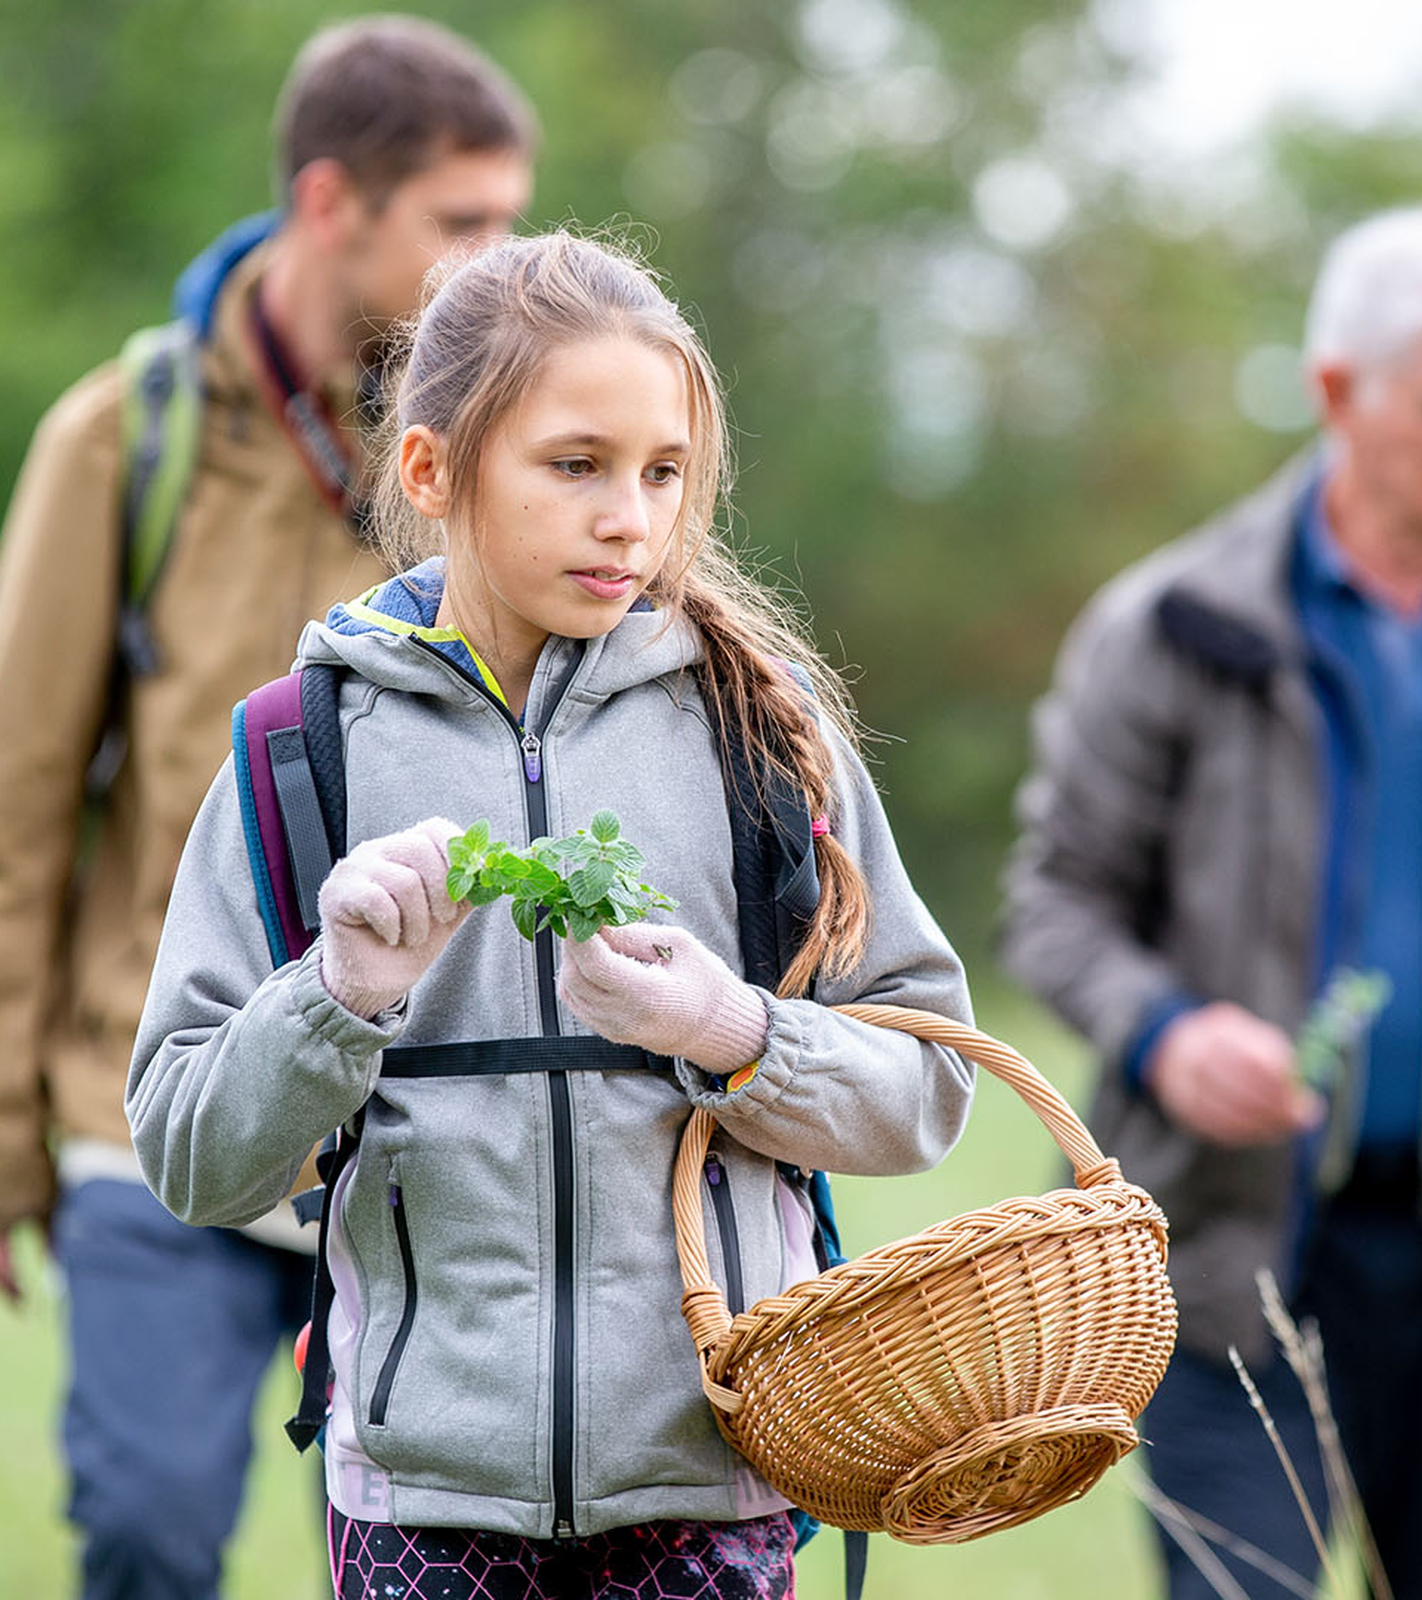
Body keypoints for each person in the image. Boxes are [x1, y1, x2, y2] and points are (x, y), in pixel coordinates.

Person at [124, 229, 976, 1600]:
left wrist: (739, 1032)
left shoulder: (767, 737)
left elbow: (929, 1090)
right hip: (419, 1495)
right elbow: (187, 1155)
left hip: (717, 1475)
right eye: (576, 465)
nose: (629, 517)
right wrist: (333, 999)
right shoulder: (304, 744)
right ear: (431, 468)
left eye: (663, 473)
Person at [0, 17, 535, 1598]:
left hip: (413, 1129)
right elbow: (19, 812)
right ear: (329, 203)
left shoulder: (496, 456)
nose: (498, 263)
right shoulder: (124, 441)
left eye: (513, 219)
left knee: (407, 1567)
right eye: (462, 222)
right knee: (150, 1528)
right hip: (145, 1103)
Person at [999, 206, 1422, 1600]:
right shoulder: (1175, 625)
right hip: (1225, 1265)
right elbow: (1056, 898)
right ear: (1337, 393)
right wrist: (1164, 1033)